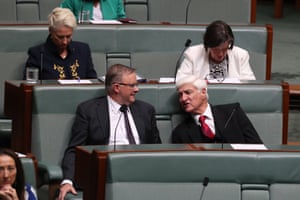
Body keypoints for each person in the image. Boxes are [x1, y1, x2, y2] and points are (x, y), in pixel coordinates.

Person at [57, 64, 161, 199]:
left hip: (141, 175)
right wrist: (67, 181)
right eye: (132, 85)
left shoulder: (146, 110)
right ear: (117, 87)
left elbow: (157, 148)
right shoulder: (89, 111)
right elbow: (74, 150)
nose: (137, 89)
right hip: (105, 175)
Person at [172, 75, 262, 144]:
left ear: (203, 92)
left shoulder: (233, 112)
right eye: (180, 95)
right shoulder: (180, 132)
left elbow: (257, 147)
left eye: (188, 92)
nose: (183, 99)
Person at [24, 7, 97, 80]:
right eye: (60, 37)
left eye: (68, 36)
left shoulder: (83, 50)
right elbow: (29, 85)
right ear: (51, 31)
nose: (65, 42)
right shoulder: (38, 54)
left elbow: (93, 81)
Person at [176, 20, 256, 82]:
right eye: (216, 50)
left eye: (224, 49)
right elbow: (181, 81)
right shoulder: (193, 54)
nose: (220, 54)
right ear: (208, 45)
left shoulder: (241, 55)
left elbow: (249, 84)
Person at [60, 0, 126, 22]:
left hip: (110, 37)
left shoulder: (116, 1)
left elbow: (122, 19)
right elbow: (61, 17)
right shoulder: (72, 1)